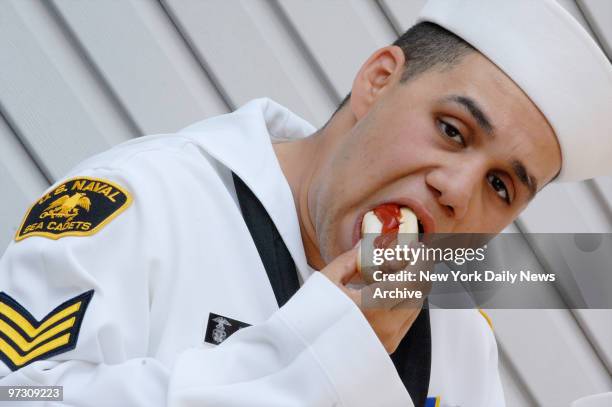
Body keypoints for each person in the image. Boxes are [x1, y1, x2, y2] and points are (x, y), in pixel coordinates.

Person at [1, 0, 610, 406]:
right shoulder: (145, 204)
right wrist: (318, 354)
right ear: (377, 80)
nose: (456, 191)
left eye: (502, 187)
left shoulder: (453, 335)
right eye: (452, 130)